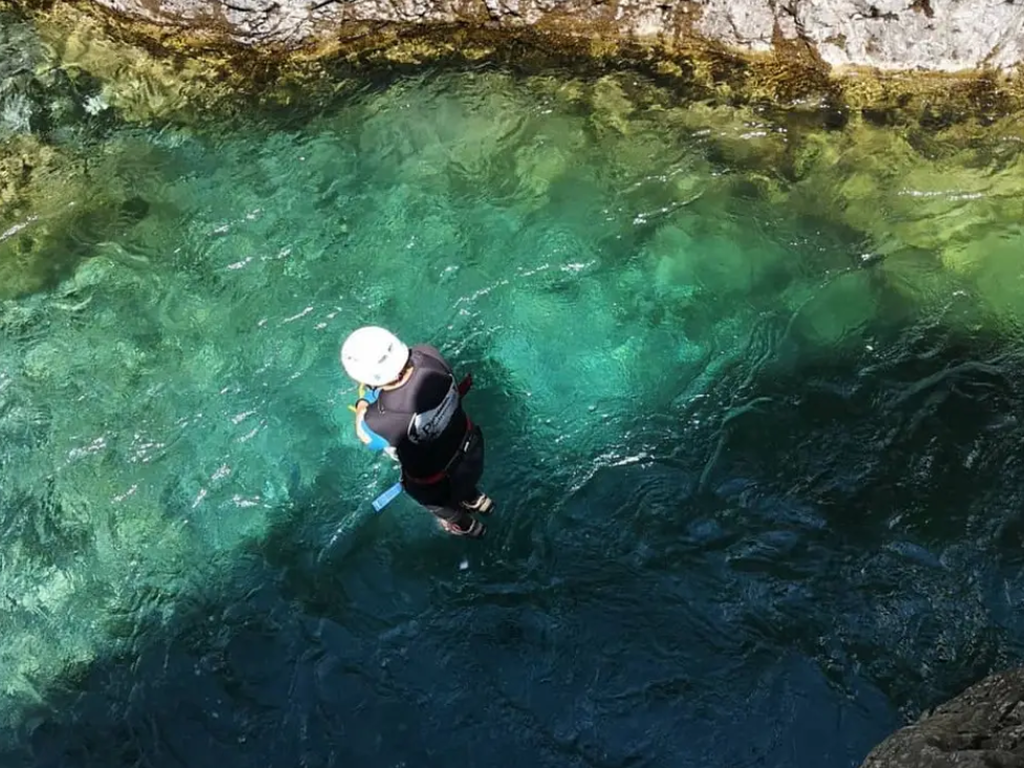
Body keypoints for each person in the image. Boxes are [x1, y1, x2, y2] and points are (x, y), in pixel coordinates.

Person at [340, 325, 495, 538]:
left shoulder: (378, 421)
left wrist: (363, 402)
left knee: (443, 506)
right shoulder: (430, 353)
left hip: (438, 485)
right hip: (472, 448)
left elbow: (363, 432)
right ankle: (476, 499)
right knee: (462, 475)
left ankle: (466, 525)